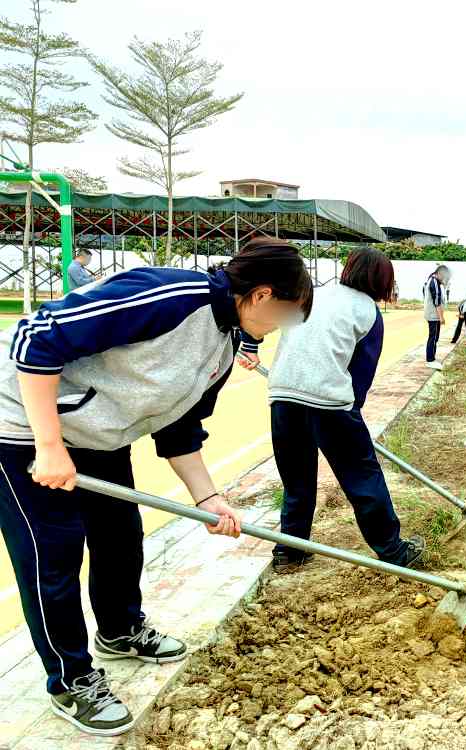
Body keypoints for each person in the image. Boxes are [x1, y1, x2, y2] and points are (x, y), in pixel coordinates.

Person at [0, 237, 313, 736]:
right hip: (23, 427)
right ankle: (71, 680)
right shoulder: (169, 297)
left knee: (120, 535)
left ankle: (120, 629)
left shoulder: (226, 344)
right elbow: (35, 338)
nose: (281, 329)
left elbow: (179, 429)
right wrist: (49, 443)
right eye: (287, 314)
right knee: (52, 553)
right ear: (261, 295)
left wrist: (210, 498)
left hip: (97, 435)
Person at [243, 248, 426, 574]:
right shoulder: (367, 312)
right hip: (330, 405)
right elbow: (361, 376)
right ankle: (395, 552)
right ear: (382, 280)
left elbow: (263, 319)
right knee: (362, 478)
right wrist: (350, 415)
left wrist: (250, 348)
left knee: (297, 480)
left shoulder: (310, 293)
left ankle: (290, 550)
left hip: (283, 397)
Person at [423, 265, 449, 370]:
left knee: (434, 337)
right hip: (433, 315)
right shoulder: (433, 282)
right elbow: (437, 301)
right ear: (439, 273)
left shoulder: (434, 280)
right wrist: (441, 317)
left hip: (433, 314)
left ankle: (432, 358)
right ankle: (430, 360)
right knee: (433, 337)